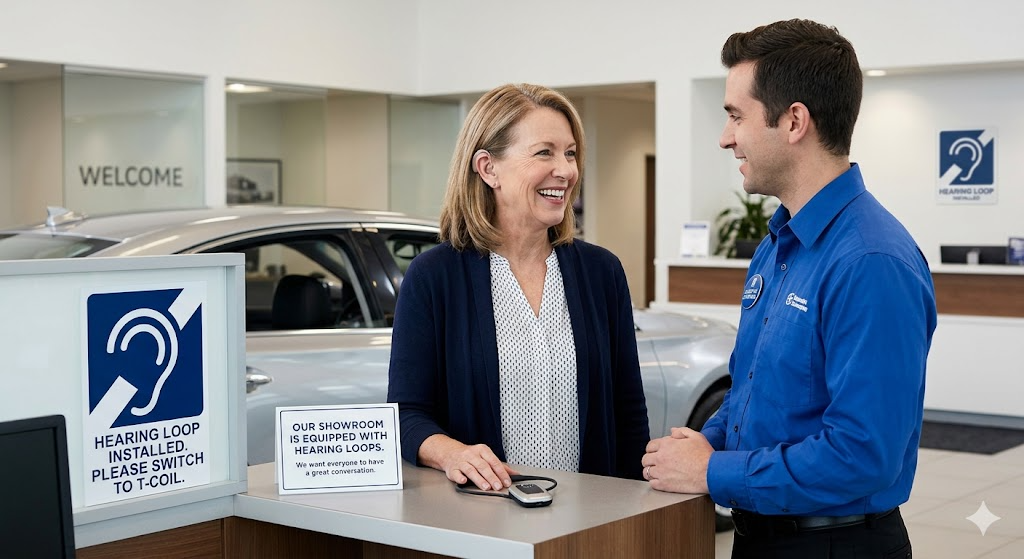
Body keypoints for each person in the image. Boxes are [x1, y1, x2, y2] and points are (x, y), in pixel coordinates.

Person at [642, 19, 937, 558]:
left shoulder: (871, 261)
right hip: (761, 537)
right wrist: (707, 441)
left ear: (795, 120)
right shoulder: (778, 243)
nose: (725, 136)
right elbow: (754, 389)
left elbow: (862, 455)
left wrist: (714, 470)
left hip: (835, 544)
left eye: (736, 116)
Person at [387, 83, 650, 492]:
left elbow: (628, 412)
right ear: (488, 168)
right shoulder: (433, 277)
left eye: (570, 153)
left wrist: (637, 514)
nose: (565, 170)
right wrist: (452, 452)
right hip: (484, 520)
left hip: (589, 520)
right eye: (544, 152)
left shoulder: (602, 273)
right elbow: (406, 414)